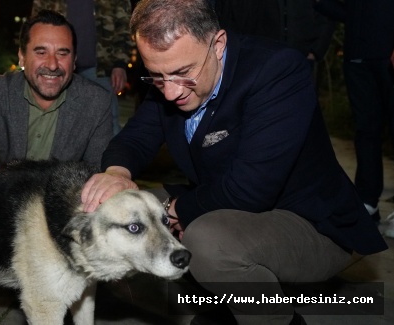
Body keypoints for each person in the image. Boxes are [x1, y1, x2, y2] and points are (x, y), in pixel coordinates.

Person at [80, 0, 388, 324]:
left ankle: (277, 318)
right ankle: (224, 304)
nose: (169, 92)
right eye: (156, 77)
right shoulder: (171, 78)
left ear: (218, 44)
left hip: (313, 222)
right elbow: (134, 139)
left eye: (183, 73)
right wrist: (116, 174)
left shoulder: (278, 71)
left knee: (207, 241)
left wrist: (174, 208)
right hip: (225, 201)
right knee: (117, 207)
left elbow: (248, 190)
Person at [0, 9, 112, 182]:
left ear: (74, 60)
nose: (53, 65)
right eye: (41, 52)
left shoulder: (97, 102)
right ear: (22, 57)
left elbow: (98, 170)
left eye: (63, 53)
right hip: (3, 198)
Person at [314, 0, 394, 224]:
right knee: (366, 130)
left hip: (388, 54)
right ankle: (368, 201)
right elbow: (350, 11)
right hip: (358, 55)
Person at [31, 0, 134, 136]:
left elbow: (124, 25)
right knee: (56, 127)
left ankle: (111, 158)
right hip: (56, 69)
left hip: (99, 70)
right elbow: (35, 26)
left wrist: (120, 64)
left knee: (107, 126)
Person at [214, 0, 336, 72]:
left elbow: (327, 11)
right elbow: (228, 15)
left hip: (302, 57)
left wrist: (316, 51)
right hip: (259, 60)